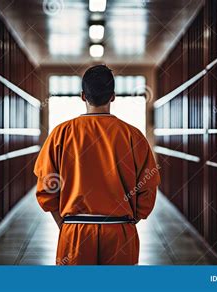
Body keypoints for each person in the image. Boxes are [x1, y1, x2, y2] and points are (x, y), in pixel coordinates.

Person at [33, 65, 160, 265]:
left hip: (74, 232)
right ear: (113, 96)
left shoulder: (61, 134)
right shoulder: (132, 136)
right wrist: (129, 221)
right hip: (120, 231)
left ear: (83, 96)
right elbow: (148, 188)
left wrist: (64, 224)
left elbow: (46, 188)